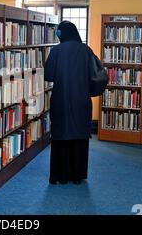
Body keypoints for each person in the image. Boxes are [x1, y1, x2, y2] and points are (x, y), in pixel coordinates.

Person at [44, 21, 101, 185]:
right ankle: (77, 175)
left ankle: (59, 175)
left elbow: (48, 75)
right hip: (81, 100)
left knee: (61, 135)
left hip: (60, 99)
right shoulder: (86, 50)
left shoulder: (56, 51)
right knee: (79, 136)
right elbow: (95, 75)